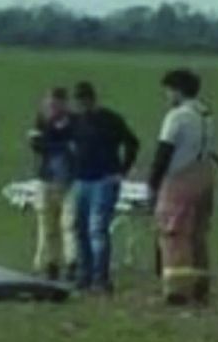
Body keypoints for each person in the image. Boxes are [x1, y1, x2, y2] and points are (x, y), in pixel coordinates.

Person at [148, 69, 215, 305]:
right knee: (198, 235)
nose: (167, 96)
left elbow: (164, 151)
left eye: (168, 91)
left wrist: (153, 183)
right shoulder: (206, 114)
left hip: (179, 180)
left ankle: (177, 289)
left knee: (174, 234)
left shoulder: (177, 117)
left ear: (177, 90)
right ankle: (200, 287)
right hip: (204, 176)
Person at [70, 81, 139, 294]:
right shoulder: (76, 121)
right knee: (80, 229)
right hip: (81, 180)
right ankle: (84, 275)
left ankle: (100, 279)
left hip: (103, 180)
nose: (81, 103)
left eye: (83, 99)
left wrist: (122, 171)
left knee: (97, 230)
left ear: (91, 98)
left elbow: (132, 143)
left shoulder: (110, 120)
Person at [29, 88, 76, 281]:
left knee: (69, 224)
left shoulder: (74, 122)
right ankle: (50, 263)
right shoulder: (41, 121)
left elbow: (43, 143)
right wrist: (62, 144)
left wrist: (51, 142)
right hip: (46, 179)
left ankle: (72, 262)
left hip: (69, 180)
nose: (52, 108)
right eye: (49, 104)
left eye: (56, 104)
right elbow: (36, 144)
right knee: (47, 226)